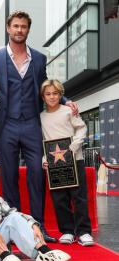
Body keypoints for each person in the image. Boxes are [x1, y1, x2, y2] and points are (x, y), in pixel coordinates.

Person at [0, 11, 78, 242]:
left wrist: (67, 101)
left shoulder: (38, 58)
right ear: (8, 29)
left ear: (28, 30)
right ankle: (13, 228)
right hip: (5, 126)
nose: (19, 30)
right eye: (15, 26)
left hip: (31, 125)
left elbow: (46, 85)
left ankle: (39, 227)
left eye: (24, 27)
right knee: (8, 178)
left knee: (37, 175)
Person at [40, 79, 95, 246]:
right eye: (48, 94)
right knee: (59, 199)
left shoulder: (68, 111)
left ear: (60, 94)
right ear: (43, 97)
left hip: (74, 159)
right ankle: (67, 231)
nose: (52, 97)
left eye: (55, 93)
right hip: (55, 163)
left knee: (79, 197)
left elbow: (82, 128)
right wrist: (44, 158)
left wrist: (74, 146)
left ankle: (84, 231)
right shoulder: (41, 117)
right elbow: (43, 140)